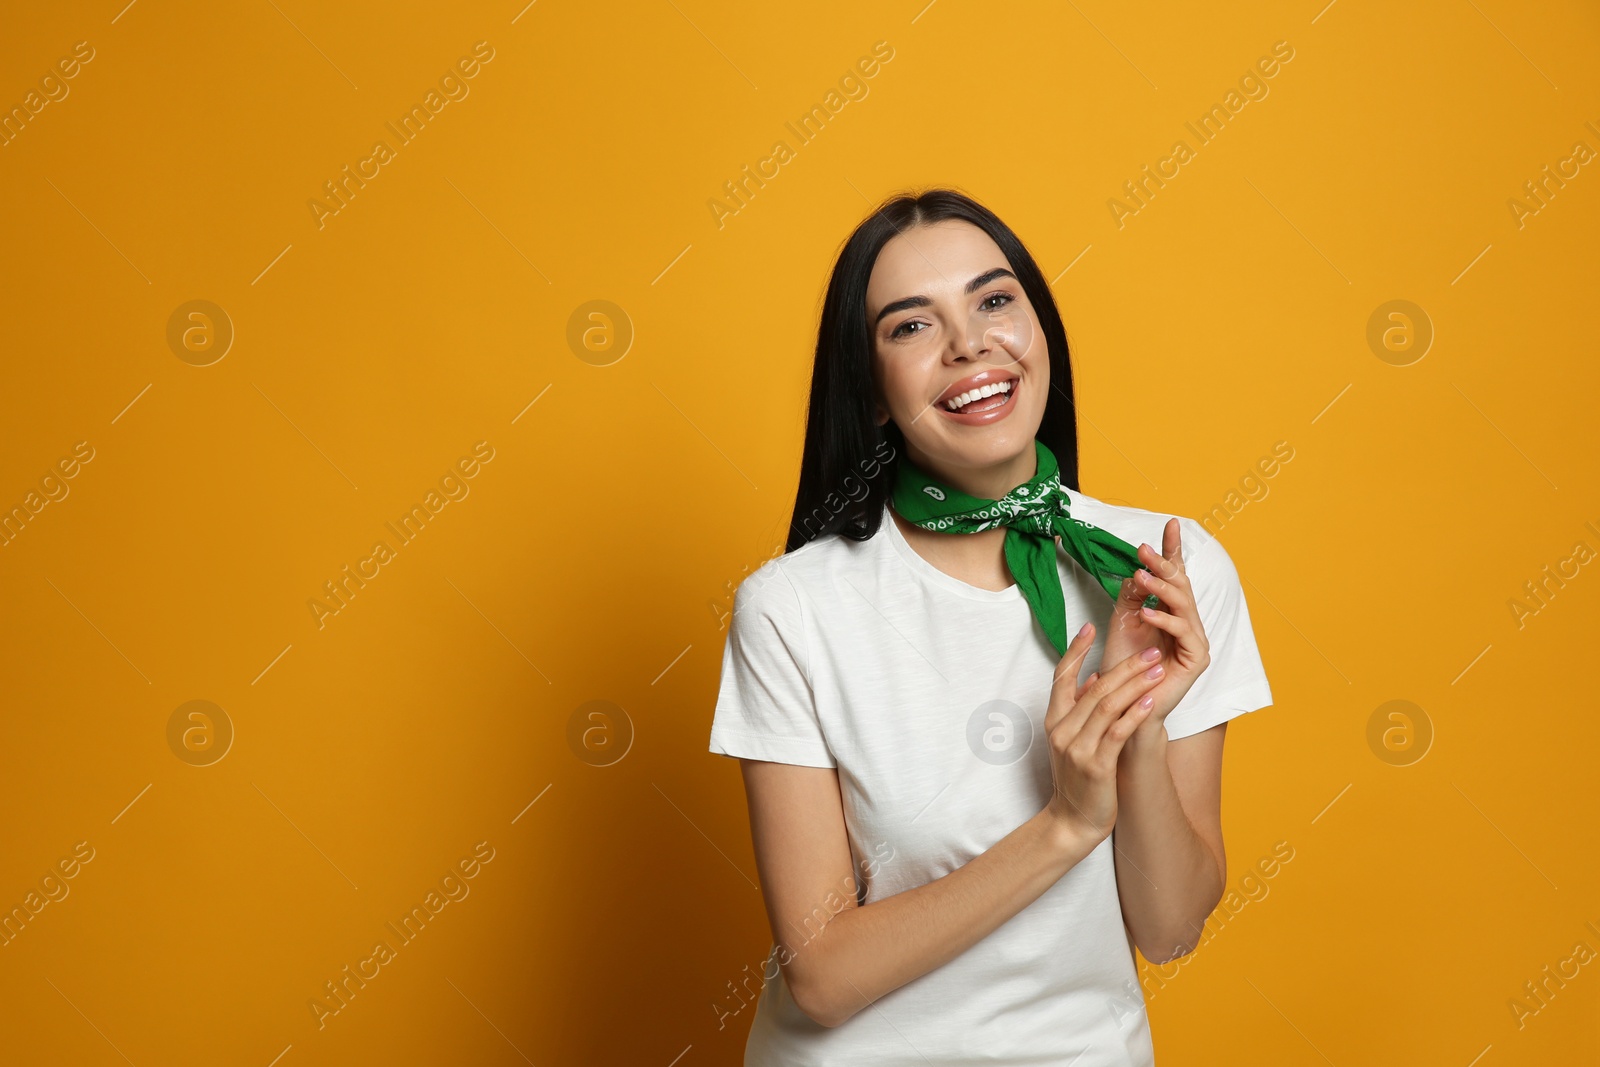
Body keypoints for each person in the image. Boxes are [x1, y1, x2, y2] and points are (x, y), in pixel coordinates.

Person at [707, 188, 1273, 1066]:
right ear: (872, 391)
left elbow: (1169, 928)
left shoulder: (1166, 568)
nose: (969, 342)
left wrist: (1140, 725)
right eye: (910, 326)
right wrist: (1066, 822)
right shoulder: (792, 609)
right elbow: (820, 975)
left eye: (994, 299)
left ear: (1040, 332)